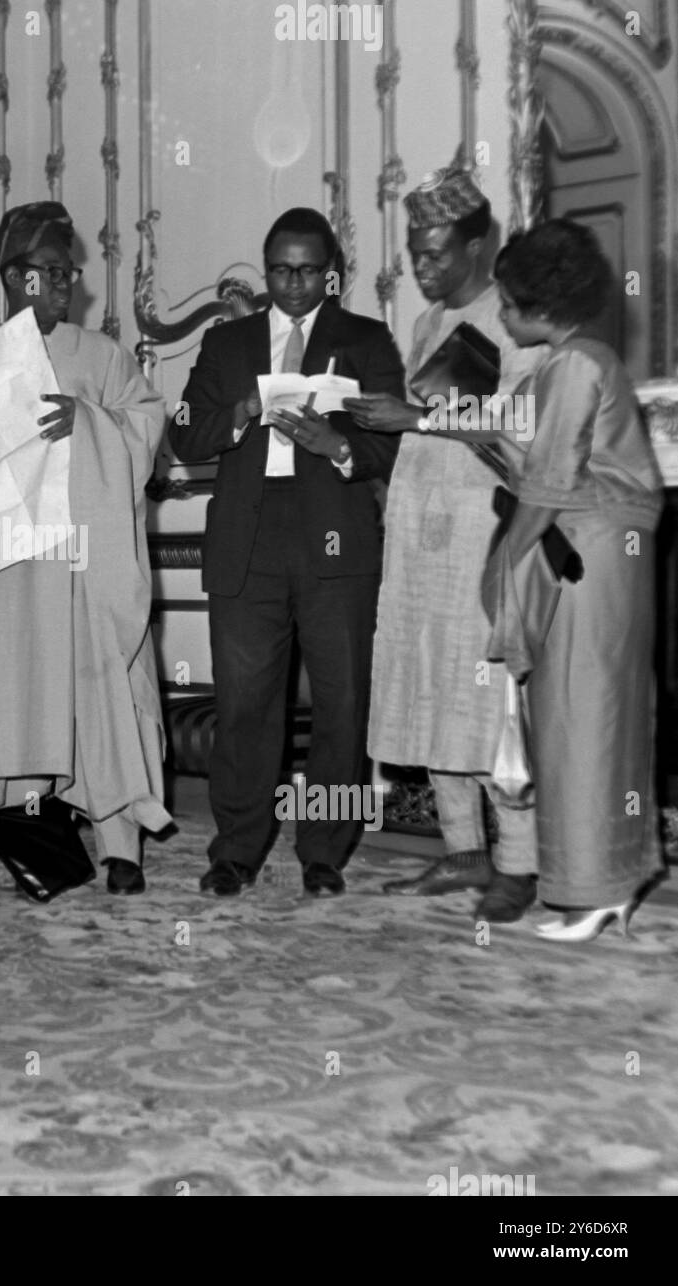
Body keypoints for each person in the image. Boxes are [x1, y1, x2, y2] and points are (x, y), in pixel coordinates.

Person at [0, 201, 170, 898]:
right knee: (23, 698)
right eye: (49, 270)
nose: (65, 282)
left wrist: (86, 423)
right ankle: (39, 841)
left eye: (68, 270)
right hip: (8, 566)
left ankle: (122, 843)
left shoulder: (100, 356)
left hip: (83, 562)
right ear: (11, 276)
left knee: (100, 694)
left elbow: (145, 429)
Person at [169, 207, 404, 898]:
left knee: (341, 703)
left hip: (335, 537)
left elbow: (390, 442)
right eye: (279, 269)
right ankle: (235, 851)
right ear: (265, 268)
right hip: (248, 537)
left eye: (307, 271)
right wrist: (240, 411)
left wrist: (332, 445)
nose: (292, 284)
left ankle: (324, 851)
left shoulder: (364, 337)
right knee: (244, 705)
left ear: (330, 274)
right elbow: (184, 435)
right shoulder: (226, 343)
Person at [344, 165, 543, 923]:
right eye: (412, 253)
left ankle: (518, 863)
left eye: (434, 254)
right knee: (429, 687)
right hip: (420, 532)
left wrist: (414, 419)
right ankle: (461, 851)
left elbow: (519, 433)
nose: (420, 269)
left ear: (477, 244)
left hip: (482, 532)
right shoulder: (427, 326)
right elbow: (416, 422)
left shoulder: (515, 318)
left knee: (489, 702)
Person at [484, 218, 664, 942]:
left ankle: (591, 895)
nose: (498, 315)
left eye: (504, 301)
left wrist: (505, 560)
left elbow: (550, 483)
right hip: (607, 559)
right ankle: (610, 883)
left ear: (536, 304)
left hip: (581, 559)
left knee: (576, 718)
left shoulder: (569, 367)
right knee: (606, 715)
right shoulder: (591, 357)